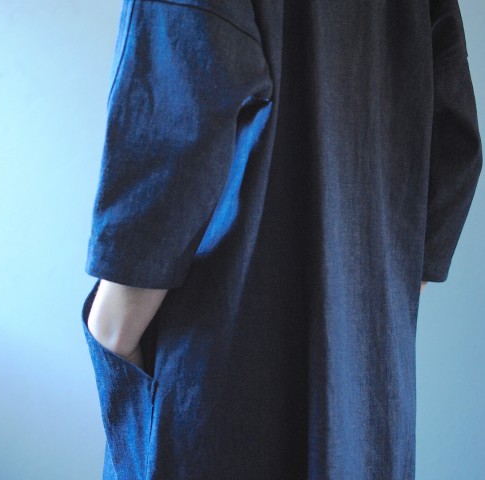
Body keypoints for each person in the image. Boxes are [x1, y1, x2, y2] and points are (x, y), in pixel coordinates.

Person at [80, 0, 482, 478]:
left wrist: (112, 327)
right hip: (370, 389)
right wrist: (376, 311)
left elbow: (176, 109)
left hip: (225, 379)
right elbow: (454, 139)